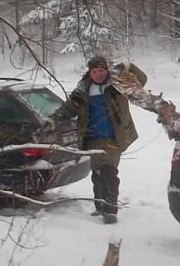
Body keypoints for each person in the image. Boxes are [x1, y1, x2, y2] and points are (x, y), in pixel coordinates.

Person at [51, 55, 148, 223]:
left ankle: (110, 210)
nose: (98, 74)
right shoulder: (83, 90)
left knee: (109, 172)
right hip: (91, 138)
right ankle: (99, 206)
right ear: (89, 73)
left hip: (113, 137)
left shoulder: (117, 85)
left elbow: (141, 80)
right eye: (94, 71)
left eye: (101, 71)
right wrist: (53, 120)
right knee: (97, 173)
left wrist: (128, 65)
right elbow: (69, 108)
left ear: (106, 71)